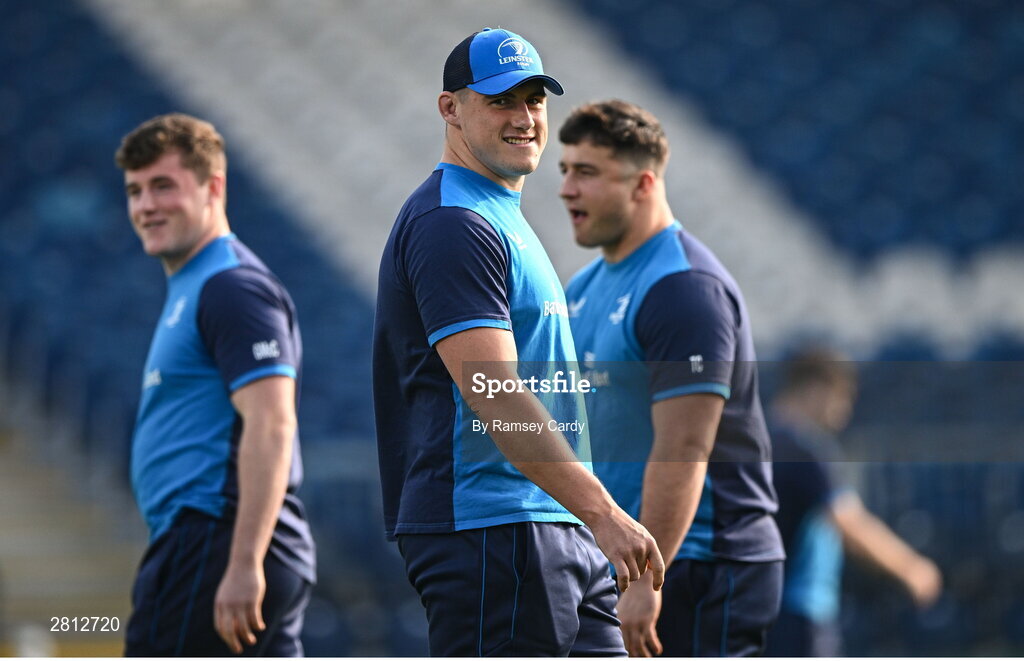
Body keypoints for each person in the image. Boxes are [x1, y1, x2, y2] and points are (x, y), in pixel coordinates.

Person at [373, 29, 664, 657]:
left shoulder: (496, 213)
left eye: (534, 99)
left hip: (546, 522)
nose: (524, 117)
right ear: (450, 108)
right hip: (492, 527)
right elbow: (494, 394)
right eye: (501, 100)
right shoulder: (452, 222)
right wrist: (605, 514)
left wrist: (588, 515)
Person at [559, 99, 785, 657]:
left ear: (641, 184)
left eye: (586, 172)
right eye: (564, 171)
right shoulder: (581, 289)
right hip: (627, 564)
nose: (566, 189)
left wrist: (644, 582)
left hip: (704, 563)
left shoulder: (683, 288)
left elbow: (685, 444)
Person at [115, 113, 315, 656]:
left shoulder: (231, 288)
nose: (146, 206)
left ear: (214, 187)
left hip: (216, 541)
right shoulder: (197, 285)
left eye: (162, 186)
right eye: (135, 191)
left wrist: (245, 563)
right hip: (208, 542)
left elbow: (272, 423)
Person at [765, 347, 942, 657]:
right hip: (799, 609)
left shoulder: (757, 438)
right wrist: (911, 568)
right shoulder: (804, 448)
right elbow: (850, 523)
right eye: (842, 398)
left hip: (760, 604)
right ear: (815, 389)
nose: (844, 412)